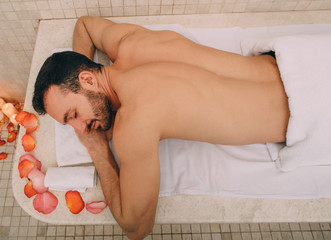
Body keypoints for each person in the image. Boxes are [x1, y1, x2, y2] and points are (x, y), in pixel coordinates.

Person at [32, 16, 289, 239]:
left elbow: (136, 228)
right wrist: (86, 90)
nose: (81, 129)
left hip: (305, 115)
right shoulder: (127, 41)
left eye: (74, 115)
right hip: (292, 65)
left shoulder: (133, 122)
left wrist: (99, 151)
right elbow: (84, 25)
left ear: (88, 78)